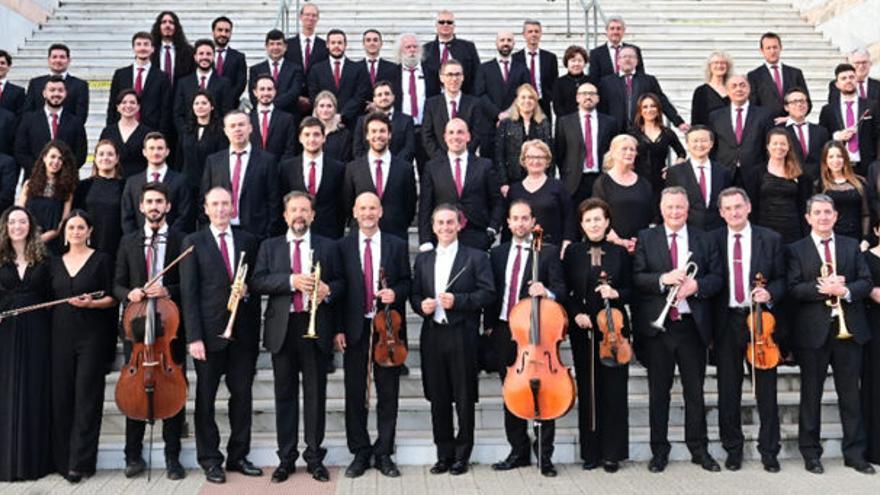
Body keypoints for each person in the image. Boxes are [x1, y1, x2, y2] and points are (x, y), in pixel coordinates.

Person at [250, 190, 342, 483]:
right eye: (294, 210)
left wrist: (328, 291)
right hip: (284, 329)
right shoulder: (270, 246)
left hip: (316, 327)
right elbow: (258, 281)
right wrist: (291, 281)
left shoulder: (328, 246)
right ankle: (286, 458)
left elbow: (341, 281)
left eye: (305, 210)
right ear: (285, 215)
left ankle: (315, 458)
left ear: (313, 215)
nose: (299, 215)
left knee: (316, 396)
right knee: (285, 396)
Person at [633, 186, 723, 473]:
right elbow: (637, 277)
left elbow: (717, 277)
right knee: (659, 393)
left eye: (680, 207)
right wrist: (663, 279)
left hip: (691, 328)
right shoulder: (647, 238)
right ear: (661, 209)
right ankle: (659, 451)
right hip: (659, 329)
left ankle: (699, 449)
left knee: (694, 392)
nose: (675, 212)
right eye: (670, 207)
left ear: (688, 209)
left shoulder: (703, 239)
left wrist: (697, 285)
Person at [786, 193, 876, 474]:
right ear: (808, 218)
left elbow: (866, 282)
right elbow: (793, 287)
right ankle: (811, 454)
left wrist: (845, 291)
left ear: (836, 216)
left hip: (849, 332)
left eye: (828, 212)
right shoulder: (796, 250)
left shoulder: (852, 247)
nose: (823, 217)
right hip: (813, 333)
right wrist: (822, 288)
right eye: (818, 213)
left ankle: (855, 454)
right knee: (810, 396)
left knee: (850, 396)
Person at [180, 187, 262, 484]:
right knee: (206, 399)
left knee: (242, 396)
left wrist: (248, 289)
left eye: (225, 203)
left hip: (243, 333)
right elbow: (189, 294)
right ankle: (210, 459)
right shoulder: (193, 242)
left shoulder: (248, 240)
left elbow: (256, 279)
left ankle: (238, 455)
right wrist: (194, 337)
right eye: (215, 204)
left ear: (233, 207)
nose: (220, 209)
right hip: (209, 333)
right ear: (205, 208)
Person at [411, 204, 495, 475]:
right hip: (433, 334)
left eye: (450, 222)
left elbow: (488, 294)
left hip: (462, 334)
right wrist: (419, 305)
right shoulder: (423, 259)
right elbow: (413, 295)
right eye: (440, 223)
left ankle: (462, 454)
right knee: (438, 396)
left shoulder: (476, 257)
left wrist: (459, 301)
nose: (445, 228)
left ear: (460, 225)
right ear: (433, 227)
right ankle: (443, 453)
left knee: (464, 395)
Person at [486, 199, 565, 477]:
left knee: (546, 392)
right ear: (507, 223)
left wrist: (547, 292)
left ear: (533, 222)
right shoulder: (497, 254)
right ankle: (518, 450)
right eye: (515, 218)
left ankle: (545, 455)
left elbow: (561, 289)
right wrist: (488, 326)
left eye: (525, 218)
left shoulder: (548, 252)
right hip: (505, 329)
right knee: (513, 392)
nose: (520, 223)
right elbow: (492, 293)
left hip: (537, 333)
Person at [113, 182, 187, 480]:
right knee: (135, 388)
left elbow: (190, 284)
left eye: (160, 201)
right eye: (149, 202)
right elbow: (116, 283)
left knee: (173, 389)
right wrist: (128, 293)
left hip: (170, 328)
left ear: (168, 206)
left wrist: (168, 288)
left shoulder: (181, 239)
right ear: (141, 207)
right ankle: (133, 455)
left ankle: (172, 457)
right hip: (137, 325)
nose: (154, 206)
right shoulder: (128, 241)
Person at [335, 192, 410, 478]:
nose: (368, 213)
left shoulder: (397, 245)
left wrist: (396, 292)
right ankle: (360, 452)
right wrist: (339, 328)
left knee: (388, 393)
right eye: (362, 208)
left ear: (381, 212)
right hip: (355, 328)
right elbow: (339, 289)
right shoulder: (341, 246)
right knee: (355, 394)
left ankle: (384, 453)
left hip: (386, 329)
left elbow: (406, 282)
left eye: (373, 208)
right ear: (354, 212)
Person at [710, 187, 784, 472]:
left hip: (760, 322)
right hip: (727, 321)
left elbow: (782, 279)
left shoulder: (771, 238)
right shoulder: (712, 239)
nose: (733, 212)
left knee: (766, 390)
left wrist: (770, 294)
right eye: (727, 208)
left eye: (738, 206)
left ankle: (769, 450)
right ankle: (733, 449)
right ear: (720, 213)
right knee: (729, 390)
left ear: (749, 207)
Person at [562, 198, 631, 472]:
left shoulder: (620, 253)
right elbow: (565, 290)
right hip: (584, 330)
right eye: (588, 219)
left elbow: (632, 290)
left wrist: (616, 293)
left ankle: (612, 453)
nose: (594, 224)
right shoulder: (573, 253)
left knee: (614, 392)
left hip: (614, 331)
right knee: (589, 390)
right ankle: (590, 452)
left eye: (598, 219)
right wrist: (575, 312)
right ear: (581, 224)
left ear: (607, 222)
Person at [49, 210, 117, 482]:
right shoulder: (54, 263)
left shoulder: (102, 260)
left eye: (81, 228)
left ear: (90, 231)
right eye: (71, 228)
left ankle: (81, 462)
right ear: (65, 232)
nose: (75, 232)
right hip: (60, 336)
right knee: (62, 398)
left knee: (87, 398)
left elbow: (113, 298)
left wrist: (92, 303)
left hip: (92, 336)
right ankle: (62, 460)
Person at [0, 206, 53, 481]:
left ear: (30, 226)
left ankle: (33, 463)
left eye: (22, 221)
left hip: (37, 331)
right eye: (12, 222)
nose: (17, 226)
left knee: (33, 390)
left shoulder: (44, 258)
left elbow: (53, 293)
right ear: (5, 227)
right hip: (5, 332)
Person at [418, 118, 503, 252]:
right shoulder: (432, 167)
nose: (455, 137)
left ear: (468, 136)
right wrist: (425, 240)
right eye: (451, 133)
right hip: (443, 236)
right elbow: (425, 206)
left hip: (477, 237)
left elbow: (497, 201)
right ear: (445, 137)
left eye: (460, 132)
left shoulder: (484, 166)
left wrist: (492, 230)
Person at [202, 110, 280, 241]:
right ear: (225, 131)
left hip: (256, 234)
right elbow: (204, 197)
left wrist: (268, 233)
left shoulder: (267, 161)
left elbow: (274, 200)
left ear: (250, 128)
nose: (237, 129)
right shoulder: (213, 161)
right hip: (221, 232)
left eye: (241, 125)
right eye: (232, 126)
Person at [343, 112, 416, 241]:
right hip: (361, 236)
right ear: (367, 135)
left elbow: (409, 205)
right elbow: (348, 204)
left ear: (389, 135)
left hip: (395, 236)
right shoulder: (353, 168)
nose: (378, 135)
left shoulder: (405, 168)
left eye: (382, 131)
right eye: (373, 131)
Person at [279, 117, 347, 240]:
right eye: (307, 135)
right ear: (300, 138)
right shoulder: (287, 168)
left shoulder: (338, 168)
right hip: (296, 234)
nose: (312, 139)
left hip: (329, 236)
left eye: (316, 135)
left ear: (324, 138)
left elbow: (341, 206)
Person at [742, 128, 813, 245]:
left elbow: (803, 205)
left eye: (783, 144)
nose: (779, 147)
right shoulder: (756, 172)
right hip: (764, 230)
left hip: (793, 231)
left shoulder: (800, 173)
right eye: (775, 143)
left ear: (789, 147)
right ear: (768, 146)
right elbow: (751, 205)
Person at [555, 82, 619, 208]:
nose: (588, 97)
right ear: (577, 98)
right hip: (574, 181)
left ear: (598, 98)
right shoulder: (564, 122)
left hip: (601, 177)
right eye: (584, 94)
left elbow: (613, 151)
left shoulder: (609, 122)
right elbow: (559, 152)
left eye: (592, 94)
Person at [598, 46, 686, 132]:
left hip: (642, 130)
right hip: (615, 130)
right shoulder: (606, 82)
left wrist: (678, 122)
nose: (627, 59)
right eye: (624, 57)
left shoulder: (648, 80)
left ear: (637, 61)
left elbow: (662, 101)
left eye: (631, 57)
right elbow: (602, 108)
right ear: (618, 61)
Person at [505, 140, 574, 248]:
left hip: (552, 248)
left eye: (540, 157)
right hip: (522, 248)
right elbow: (507, 225)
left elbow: (569, 218)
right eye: (530, 157)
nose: (535, 161)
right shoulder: (514, 190)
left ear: (547, 161)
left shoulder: (558, 187)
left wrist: (567, 242)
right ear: (523, 160)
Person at [474, 31, 531, 161]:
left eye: (509, 40)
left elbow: (526, 93)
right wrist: (498, 114)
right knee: (489, 165)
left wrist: (509, 113)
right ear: (496, 43)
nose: (506, 43)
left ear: (513, 43)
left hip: (516, 123)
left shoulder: (522, 69)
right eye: (502, 40)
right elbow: (480, 95)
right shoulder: (484, 68)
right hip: (489, 125)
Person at [122, 132, 194, 234]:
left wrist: (169, 237)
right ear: (144, 152)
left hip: (172, 242)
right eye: (151, 148)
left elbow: (185, 215)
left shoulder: (181, 181)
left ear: (167, 152)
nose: (156, 152)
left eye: (160, 148)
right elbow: (127, 217)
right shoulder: (132, 182)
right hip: (139, 243)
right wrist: (136, 239)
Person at [665, 126, 734, 232]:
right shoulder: (675, 173)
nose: (699, 145)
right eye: (695, 141)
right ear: (687, 144)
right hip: (687, 232)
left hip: (718, 232)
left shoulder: (723, 172)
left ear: (711, 144)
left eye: (704, 141)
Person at [593, 134, 654, 254]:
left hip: (641, 247)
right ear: (613, 152)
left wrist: (641, 241)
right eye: (624, 149)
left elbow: (652, 215)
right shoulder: (602, 183)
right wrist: (618, 241)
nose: (629, 153)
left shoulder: (644, 183)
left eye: (632, 149)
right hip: (611, 247)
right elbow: (599, 215)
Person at [15, 75, 87, 177]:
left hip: (66, 180)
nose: (56, 94)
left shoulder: (75, 122)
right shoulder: (29, 120)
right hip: (34, 178)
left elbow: (81, 153)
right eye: (52, 90)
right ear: (44, 93)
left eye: (60, 90)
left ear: (65, 93)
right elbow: (20, 151)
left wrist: (61, 169)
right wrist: (42, 170)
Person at [819, 63, 880, 176]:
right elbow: (822, 136)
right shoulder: (828, 110)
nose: (848, 81)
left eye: (852, 77)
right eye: (843, 78)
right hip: (838, 167)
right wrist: (836, 136)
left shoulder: (872, 105)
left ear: (856, 80)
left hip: (867, 165)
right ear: (837, 84)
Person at [16, 141, 76, 254]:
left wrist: (39, 240)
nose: (56, 162)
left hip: (51, 246)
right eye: (52, 157)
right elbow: (19, 213)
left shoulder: (67, 189)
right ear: (44, 158)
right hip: (24, 241)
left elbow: (63, 222)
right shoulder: (29, 184)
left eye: (60, 158)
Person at [708, 74, 773, 175]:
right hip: (724, 171)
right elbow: (712, 146)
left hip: (755, 172)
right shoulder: (716, 116)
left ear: (749, 89)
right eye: (734, 86)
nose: (739, 89)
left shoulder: (764, 115)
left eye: (742, 85)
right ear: (727, 91)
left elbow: (768, 144)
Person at [107, 31, 172, 133]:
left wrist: (160, 134)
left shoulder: (162, 77)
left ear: (152, 49)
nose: (142, 48)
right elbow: (112, 106)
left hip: (151, 133)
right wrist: (110, 131)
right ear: (133, 48)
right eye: (139, 44)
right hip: (124, 130)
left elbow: (165, 110)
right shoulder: (120, 75)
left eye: (146, 44)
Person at [394, 33, 440, 173]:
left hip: (425, 129)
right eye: (408, 47)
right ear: (401, 50)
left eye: (415, 47)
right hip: (401, 129)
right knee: (401, 170)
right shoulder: (391, 73)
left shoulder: (431, 73)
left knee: (427, 171)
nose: (412, 50)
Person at [629, 92, 687, 202]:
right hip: (638, 182)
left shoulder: (667, 133)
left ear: (658, 109)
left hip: (662, 182)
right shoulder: (633, 133)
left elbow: (682, 152)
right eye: (645, 107)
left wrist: (673, 169)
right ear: (640, 111)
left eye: (653, 106)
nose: (649, 110)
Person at [495, 84, 553, 192]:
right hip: (513, 180)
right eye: (523, 97)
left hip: (539, 179)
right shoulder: (506, 123)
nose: (527, 101)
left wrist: (549, 181)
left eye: (531, 97)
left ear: (536, 102)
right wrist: (503, 182)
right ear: (517, 101)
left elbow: (549, 154)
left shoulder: (543, 123)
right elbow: (499, 155)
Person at [74, 140, 125, 262]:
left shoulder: (126, 186)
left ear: (117, 158)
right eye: (101, 154)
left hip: (116, 245)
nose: (105, 158)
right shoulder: (83, 186)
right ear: (95, 158)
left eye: (110, 154)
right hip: (88, 244)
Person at [422, 59, 484, 159]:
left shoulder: (474, 104)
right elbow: (427, 135)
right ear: (441, 78)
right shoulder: (431, 104)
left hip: (466, 161)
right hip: (439, 162)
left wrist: (462, 156)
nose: (454, 79)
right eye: (449, 75)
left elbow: (477, 134)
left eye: (458, 74)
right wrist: (442, 159)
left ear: (463, 77)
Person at [307, 29, 369, 127]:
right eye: (333, 43)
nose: (336, 46)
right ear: (327, 45)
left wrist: (342, 115)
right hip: (324, 122)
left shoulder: (358, 69)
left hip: (351, 122)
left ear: (345, 45)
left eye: (340, 43)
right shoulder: (316, 69)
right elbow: (314, 94)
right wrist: (328, 114)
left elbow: (360, 96)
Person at [172, 39, 234, 133]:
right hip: (188, 137)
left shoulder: (224, 83)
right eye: (201, 54)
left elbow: (227, 112)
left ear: (214, 57)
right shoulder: (183, 83)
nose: (204, 57)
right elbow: (178, 113)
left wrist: (217, 132)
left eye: (208, 54)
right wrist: (185, 133)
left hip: (216, 137)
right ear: (195, 57)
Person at [816, 141, 870, 246]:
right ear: (825, 161)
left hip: (856, 239)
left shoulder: (859, 182)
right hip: (830, 240)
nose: (835, 160)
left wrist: (865, 239)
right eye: (831, 157)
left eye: (839, 156)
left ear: (845, 158)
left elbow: (866, 214)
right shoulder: (819, 185)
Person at [747, 32, 808, 120]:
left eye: (775, 47)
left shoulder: (795, 73)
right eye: (768, 48)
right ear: (762, 51)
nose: (772, 51)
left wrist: (790, 118)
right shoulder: (753, 76)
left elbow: (807, 101)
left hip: (792, 124)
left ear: (781, 48)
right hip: (767, 127)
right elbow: (753, 105)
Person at [351, 80, 416, 162]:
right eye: (379, 95)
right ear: (374, 99)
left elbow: (409, 148)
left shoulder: (407, 120)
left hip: (399, 169)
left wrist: (393, 165)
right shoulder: (362, 121)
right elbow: (358, 149)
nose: (383, 97)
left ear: (393, 97)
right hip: (369, 170)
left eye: (387, 94)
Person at [178, 90, 228, 197]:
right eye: (197, 103)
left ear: (212, 107)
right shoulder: (186, 131)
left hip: (210, 182)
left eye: (204, 103)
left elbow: (221, 159)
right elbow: (179, 158)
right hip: (187, 183)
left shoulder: (220, 132)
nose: (200, 106)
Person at [24, 43, 89, 124]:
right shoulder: (35, 83)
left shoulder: (80, 85)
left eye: (62, 57)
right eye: (54, 57)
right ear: (48, 60)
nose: (58, 60)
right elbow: (28, 113)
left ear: (69, 60)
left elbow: (81, 116)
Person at [422, 10, 480, 95]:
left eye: (449, 22)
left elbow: (478, 76)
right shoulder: (426, 49)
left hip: (464, 100)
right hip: (434, 102)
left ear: (454, 26)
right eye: (442, 22)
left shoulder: (468, 47)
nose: (445, 25)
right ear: (436, 25)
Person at [249, 29, 305, 117]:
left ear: (285, 47)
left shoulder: (296, 69)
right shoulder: (256, 70)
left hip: (289, 116)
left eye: (279, 44)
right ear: (266, 47)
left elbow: (294, 93)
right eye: (272, 44)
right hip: (262, 117)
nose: (275, 47)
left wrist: (271, 106)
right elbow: (253, 96)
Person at [512, 19, 557, 122]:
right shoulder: (515, 58)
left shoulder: (550, 58)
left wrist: (548, 97)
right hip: (522, 104)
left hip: (543, 103)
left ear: (541, 34)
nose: (533, 34)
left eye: (536, 31)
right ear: (524, 34)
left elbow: (554, 82)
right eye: (530, 31)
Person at [100, 89, 151, 178]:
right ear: (118, 107)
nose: (128, 106)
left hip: (138, 183)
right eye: (124, 102)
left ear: (138, 107)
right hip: (113, 180)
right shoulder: (108, 132)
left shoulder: (147, 132)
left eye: (132, 102)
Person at [783, 87, 829, 181]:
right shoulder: (780, 132)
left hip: (817, 183)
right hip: (790, 181)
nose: (799, 104)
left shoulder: (821, 131)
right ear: (786, 107)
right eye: (794, 102)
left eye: (802, 101)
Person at [862, 219, 880, 464]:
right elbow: (868, 288)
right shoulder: (865, 258)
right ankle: (875, 449)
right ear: (876, 230)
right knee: (875, 387)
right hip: (875, 329)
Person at [249, 74, 298, 160]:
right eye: (262, 89)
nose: (266, 93)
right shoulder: (247, 119)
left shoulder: (287, 119)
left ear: (275, 92)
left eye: (269, 89)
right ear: (255, 92)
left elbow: (290, 149)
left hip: (278, 169)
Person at [588, 16, 644, 82]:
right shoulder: (596, 53)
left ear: (623, 31)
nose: (615, 32)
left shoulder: (634, 50)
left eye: (618, 28)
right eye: (612, 28)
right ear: (607, 31)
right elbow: (594, 78)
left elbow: (641, 75)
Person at [284, 2, 328, 81]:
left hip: (316, 90)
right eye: (307, 14)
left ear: (318, 18)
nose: (310, 18)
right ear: (300, 17)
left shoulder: (324, 45)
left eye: (314, 15)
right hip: (293, 90)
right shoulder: (288, 44)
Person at [150, 11, 194, 87]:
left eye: (171, 22)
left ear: (176, 27)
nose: (167, 25)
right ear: (158, 26)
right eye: (164, 22)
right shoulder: (150, 50)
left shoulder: (188, 51)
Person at [211, 16, 247, 103]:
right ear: (213, 32)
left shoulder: (239, 57)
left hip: (230, 105)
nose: (223, 34)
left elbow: (241, 83)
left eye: (227, 31)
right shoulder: (203, 55)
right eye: (220, 30)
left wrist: (228, 99)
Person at [691, 51, 732, 127]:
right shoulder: (701, 91)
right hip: (709, 135)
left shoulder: (733, 89)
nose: (719, 65)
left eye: (723, 63)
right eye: (716, 63)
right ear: (709, 66)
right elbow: (696, 120)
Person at [313, 90, 353, 163]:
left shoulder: (344, 134)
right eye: (321, 106)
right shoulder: (310, 132)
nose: (325, 110)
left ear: (335, 109)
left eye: (329, 106)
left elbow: (346, 160)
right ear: (316, 109)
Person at [552, 45, 591, 119]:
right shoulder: (559, 82)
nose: (576, 64)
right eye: (573, 60)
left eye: (580, 60)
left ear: (584, 62)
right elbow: (557, 107)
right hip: (565, 123)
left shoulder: (591, 81)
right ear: (567, 63)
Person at [0, 50, 27, 117]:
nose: (0, 66)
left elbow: (21, 117)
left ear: (9, 67)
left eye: (2, 63)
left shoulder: (18, 92)